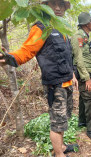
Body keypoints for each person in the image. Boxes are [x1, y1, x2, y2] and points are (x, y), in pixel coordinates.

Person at [0, 1, 78, 157]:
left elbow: (66, 56)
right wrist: (9, 57)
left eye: (61, 5)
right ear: (46, 5)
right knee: (57, 122)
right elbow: (26, 51)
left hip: (67, 82)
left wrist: (73, 75)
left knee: (63, 119)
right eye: (53, 4)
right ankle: (59, 154)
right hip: (55, 85)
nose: (57, 8)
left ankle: (61, 146)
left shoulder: (61, 28)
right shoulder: (41, 27)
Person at [71, 12, 91, 142]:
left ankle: (82, 122)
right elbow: (78, 59)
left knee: (83, 97)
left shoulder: (84, 36)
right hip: (83, 74)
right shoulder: (78, 36)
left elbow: (84, 56)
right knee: (90, 98)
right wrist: (86, 78)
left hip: (85, 72)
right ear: (86, 24)